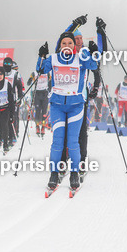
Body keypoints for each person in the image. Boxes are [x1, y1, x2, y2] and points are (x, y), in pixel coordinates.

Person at [36, 15, 102, 195]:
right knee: (57, 141)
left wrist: (94, 51)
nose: (67, 46)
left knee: (73, 142)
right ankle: (54, 174)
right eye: (64, 43)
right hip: (57, 105)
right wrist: (41, 56)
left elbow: (94, 66)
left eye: (70, 43)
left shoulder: (81, 57)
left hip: (76, 106)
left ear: (74, 46)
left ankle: (74, 173)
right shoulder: (54, 58)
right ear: (60, 45)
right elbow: (41, 70)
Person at [0, 66, 16, 153]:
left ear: (3, 75)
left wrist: (12, 114)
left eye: (1, 74)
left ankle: (5, 145)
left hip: (5, 109)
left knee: (5, 127)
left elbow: (11, 100)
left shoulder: (7, 84)